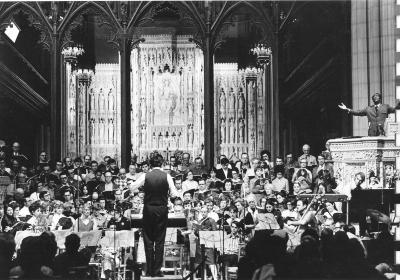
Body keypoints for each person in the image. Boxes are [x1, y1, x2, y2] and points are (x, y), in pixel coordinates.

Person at [129, 155, 178, 277]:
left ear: (150, 165)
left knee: (148, 240)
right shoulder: (166, 176)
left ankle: (150, 270)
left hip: (148, 209)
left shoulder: (146, 175)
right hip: (161, 209)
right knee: (160, 240)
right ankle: (157, 270)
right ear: (162, 164)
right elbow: (174, 193)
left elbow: (132, 187)